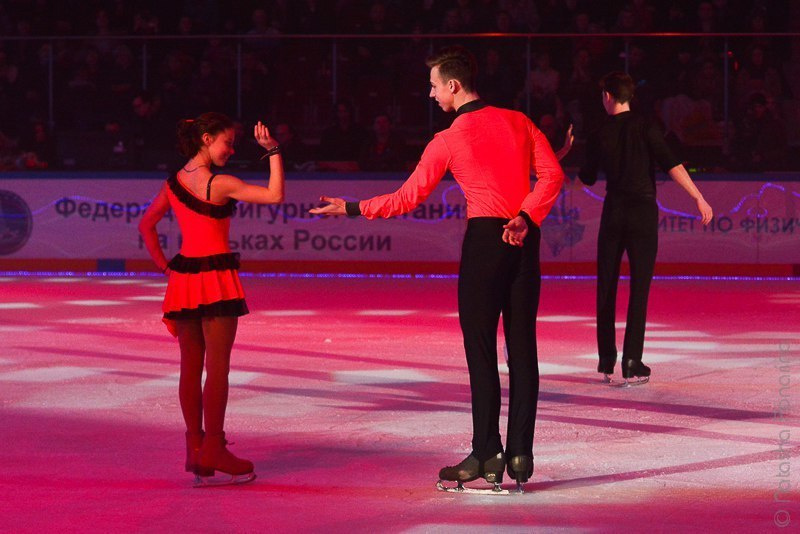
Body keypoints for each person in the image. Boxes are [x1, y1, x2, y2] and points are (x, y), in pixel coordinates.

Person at [310, 46, 564, 492]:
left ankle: (487, 452)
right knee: (523, 349)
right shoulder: (519, 121)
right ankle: (520, 455)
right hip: (525, 238)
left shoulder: (448, 138)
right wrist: (526, 216)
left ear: (453, 85)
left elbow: (406, 198)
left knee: (481, 349)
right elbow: (553, 175)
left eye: (433, 86)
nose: (430, 94)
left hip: (486, 243)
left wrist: (351, 207)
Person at [138, 112, 285, 486]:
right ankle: (214, 448)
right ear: (206, 139)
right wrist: (272, 151)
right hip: (215, 280)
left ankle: (195, 449)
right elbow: (274, 195)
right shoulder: (219, 184)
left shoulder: (174, 183)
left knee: (190, 366)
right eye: (227, 143)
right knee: (217, 368)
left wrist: (166, 268)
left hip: (184, 279)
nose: (231, 150)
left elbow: (146, 225)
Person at [578, 72, 713, 386]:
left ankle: (606, 359)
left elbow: (587, 177)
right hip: (641, 213)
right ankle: (632, 360)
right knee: (639, 287)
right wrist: (698, 197)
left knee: (606, 285)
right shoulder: (647, 126)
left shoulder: (599, 131)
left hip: (614, 212)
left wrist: (569, 148)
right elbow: (672, 164)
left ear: (608, 96)